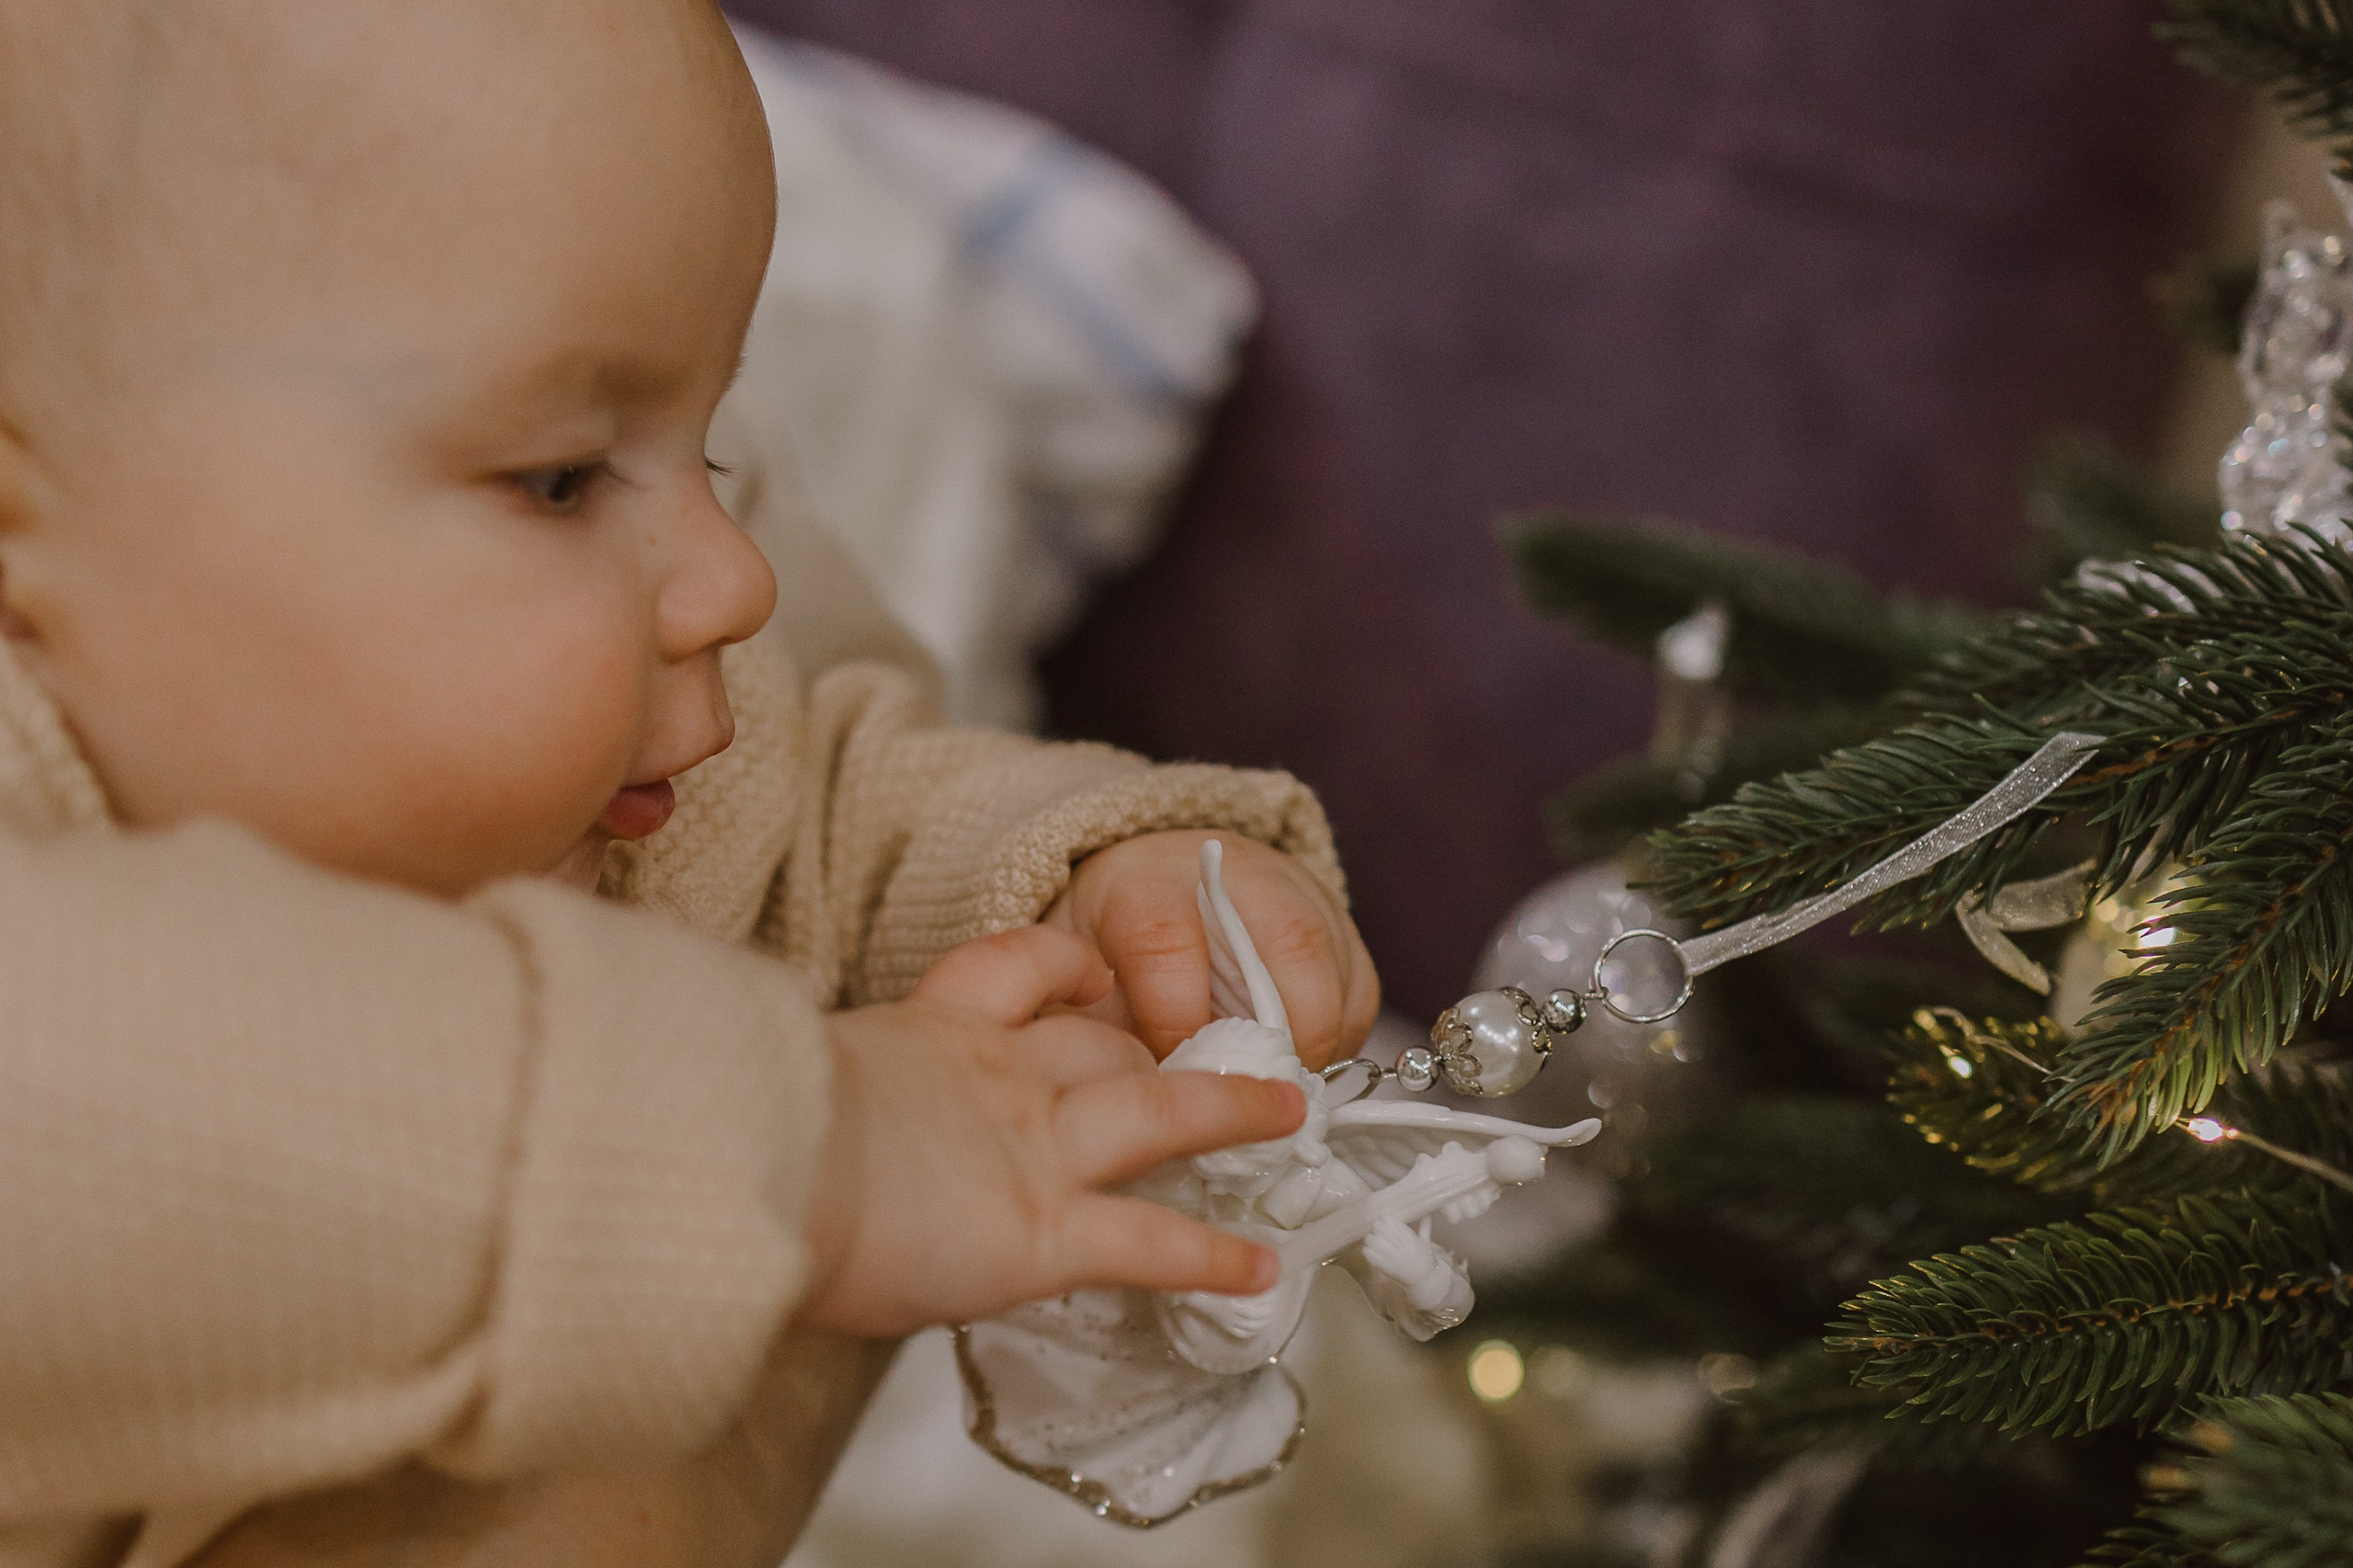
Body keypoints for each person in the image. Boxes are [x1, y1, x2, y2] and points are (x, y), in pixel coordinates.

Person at [0, 2, 1380, 1564]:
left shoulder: (607, 773)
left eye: (716, 452)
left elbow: (826, 818)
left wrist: (1082, 883)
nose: (734, 578)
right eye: (562, 477)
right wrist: (816, 1154)